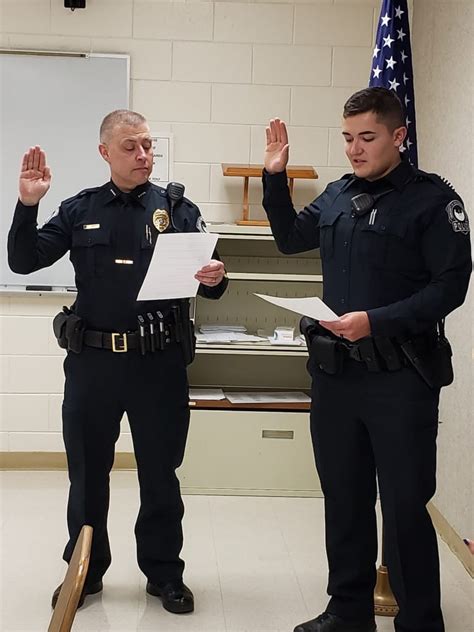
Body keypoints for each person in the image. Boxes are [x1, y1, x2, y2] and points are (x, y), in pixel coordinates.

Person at [262, 87, 471, 632]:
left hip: (400, 377)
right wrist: (274, 177)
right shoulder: (336, 194)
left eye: (367, 138)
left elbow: (449, 288)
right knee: (345, 499)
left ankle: (420, 620)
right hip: (336, 375)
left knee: (403, 508)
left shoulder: (432, 202)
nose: (355, 149)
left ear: (399, 136)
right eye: (348, 138)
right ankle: (348, 610)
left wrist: (375, 320)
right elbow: (287, 239)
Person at [8, 109, 228, 614]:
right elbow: (23, 260)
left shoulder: (178, 210)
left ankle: (165, 575)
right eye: (130, 147)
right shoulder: (78, 208)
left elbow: (214, 286)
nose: (143, 155)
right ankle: (84, 572)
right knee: (87, 474)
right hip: (94, 366)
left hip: (159, 365)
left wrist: (215, 277)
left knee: (160, 474)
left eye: (148, 145)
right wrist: (26, 205)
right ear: (105, 152)